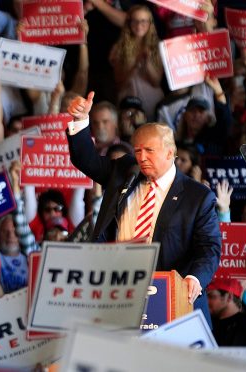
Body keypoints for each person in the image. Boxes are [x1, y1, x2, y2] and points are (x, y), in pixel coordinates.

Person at [66, 91, 221, 323]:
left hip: (171, 298)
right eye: (138, 150)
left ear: (170, 153)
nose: (142, 157)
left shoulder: (197, 197)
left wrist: (195, 278)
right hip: (121, 291)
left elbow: (209, 248)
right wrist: (80, 120)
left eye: (150, 151)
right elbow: (84, 159)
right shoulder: (125, 171)